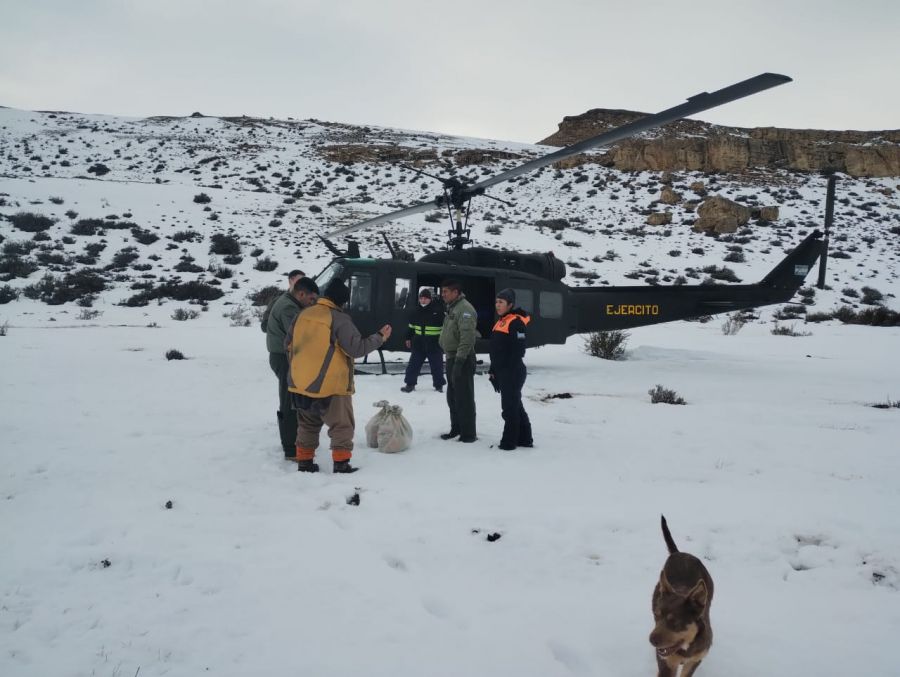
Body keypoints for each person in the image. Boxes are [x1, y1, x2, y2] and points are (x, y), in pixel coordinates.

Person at [287, 278, 391, 473]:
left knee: (307, 424)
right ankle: (341, 464)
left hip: (300, 382)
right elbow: (356, 348)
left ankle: (304, 463)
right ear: (342, 301)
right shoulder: (338, 318)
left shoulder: (302, 314)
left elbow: (288, 344)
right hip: (330, 384)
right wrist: (380, 337)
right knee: (342, 424)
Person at [264, 276, 319, 458]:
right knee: (289, 401)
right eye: (311, 299)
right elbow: (297, 336)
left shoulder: (288, 300)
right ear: (301, 293)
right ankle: (290, 447)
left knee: (290, 398)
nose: (313, 303)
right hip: (283, 358)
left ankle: (292, 442)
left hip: (283, 356)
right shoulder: (289, 308)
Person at [488, 288, 533, 451]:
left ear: (510, 304)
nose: (497, 305)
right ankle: (525, 438)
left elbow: (519, 350)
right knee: (515, 405)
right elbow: (496, 350)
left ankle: (509, 442)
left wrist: (505, 371)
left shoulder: (516, 323)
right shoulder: (501, 321)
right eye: (496, 302)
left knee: (509, 408)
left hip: (513, 371)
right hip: (503, 370)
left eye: (501, 302)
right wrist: (494, 371)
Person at [438, 279, 477, 443]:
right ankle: (456, 428)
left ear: (455, 292)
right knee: (452, 397)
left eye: (445, 291)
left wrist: (460, 361)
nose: (443, 295)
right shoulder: (453, 308)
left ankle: (468, 434)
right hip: (452, 357)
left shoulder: (465, 309)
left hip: (462, 358)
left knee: (464, 398)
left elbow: (467, 338)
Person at [401, 288, 446, 393]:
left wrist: (444, 341)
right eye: (421, 298)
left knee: (437, 366)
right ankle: (410, 384)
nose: (423, 301)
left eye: (425, 298)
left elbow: (446, 327)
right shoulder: (415, 312)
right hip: (419, 344)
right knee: (413, 365)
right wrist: (408, 338)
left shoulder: (438, 311)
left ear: (430, 299)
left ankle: (439, 386)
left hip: (434, 344)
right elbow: (411, 327)